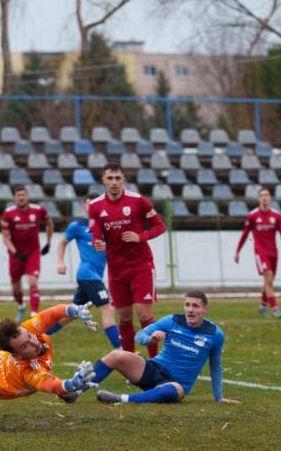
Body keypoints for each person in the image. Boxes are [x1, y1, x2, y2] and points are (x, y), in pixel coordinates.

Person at [91, 290, 238, 405]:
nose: (190, 310)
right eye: (187, 305)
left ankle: (121, 399)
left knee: (176, 390)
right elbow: (139, 336)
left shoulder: (215, 334)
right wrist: (151, 339)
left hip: (174, 384)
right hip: (152, 370)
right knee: (116, 355)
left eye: (195, 306)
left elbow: (215, 366)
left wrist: (219, 397)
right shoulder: (172, 320)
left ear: (205, 309)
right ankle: (74, 389)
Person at [88, 164, 167, 356]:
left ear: (124, 179)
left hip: (141, 266)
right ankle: (130, 361)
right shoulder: (95, 206)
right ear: (103, 180)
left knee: (144, 314)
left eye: (117, 178)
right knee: (123, 317)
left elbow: (160, 226)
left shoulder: (138, 201)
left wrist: (140, 237)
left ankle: (155, 361)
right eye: (110, 178)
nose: (114, 182)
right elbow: (96, 234)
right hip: (116, 270)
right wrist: (97, 243)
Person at [55, 193, 120, 349]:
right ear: (84, 207)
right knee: (107, 308)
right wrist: (60, 262)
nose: (92, 208)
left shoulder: (107, 226)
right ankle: (120, 349)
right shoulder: (77, 226)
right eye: (88, 204)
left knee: (73, 314)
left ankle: (41, 333)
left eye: (95, 204)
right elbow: (62, 243)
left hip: (94, 276)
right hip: (87, 275)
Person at [1, 185, 53, 322]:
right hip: (16, 255)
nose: (21, 198)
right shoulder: (8, 213)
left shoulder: (38, 210)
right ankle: (21, 305)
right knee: (15, 288)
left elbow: (49, 222)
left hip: (33, 253)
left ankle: (33, 314)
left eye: (23, 195)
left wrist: (48, 243)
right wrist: (15, 252)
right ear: (15, 198)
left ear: (27, 196)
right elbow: (5, 237)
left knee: (33, 282)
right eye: (18, 195)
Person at [234, 187, 281, 318]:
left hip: (273, 252)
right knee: (268, 277)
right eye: (262, 195)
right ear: (259, 199)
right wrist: (238, 251)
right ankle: (275, 309)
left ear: (270, 198)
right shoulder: (252, 216)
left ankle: (262, 306)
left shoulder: (276, 216)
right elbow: (245, 234)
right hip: (260, 252)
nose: (264, 197)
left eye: (266, 195)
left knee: (268, 281)